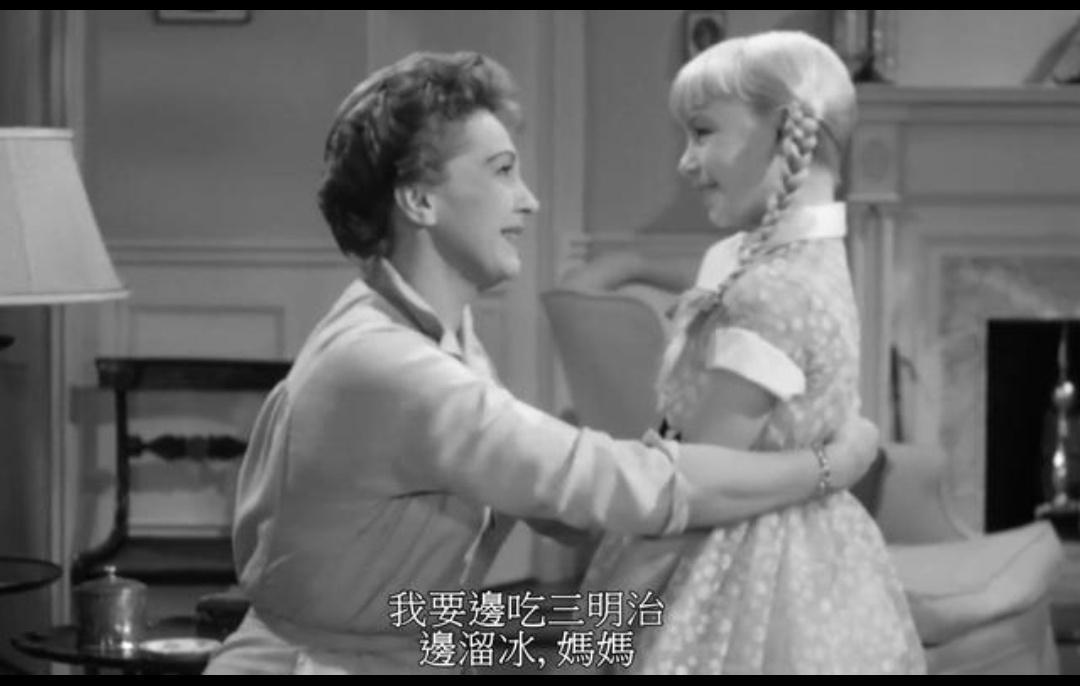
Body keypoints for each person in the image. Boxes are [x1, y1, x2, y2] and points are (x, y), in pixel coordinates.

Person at [202, 50, 880, 675]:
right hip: (325, 665)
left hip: (422, 639)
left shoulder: (437, 329)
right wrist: (832, 465)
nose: (528, 199)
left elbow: (560, 504)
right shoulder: (388, 365)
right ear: (419, 200)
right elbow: (614, 485)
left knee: (618, 636)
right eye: (502, 171)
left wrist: (597, 625)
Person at [580, 32, 925, 674]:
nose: (685, 162)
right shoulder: (796, 262)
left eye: (703, 133)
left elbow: (694, 494)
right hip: (812, 559)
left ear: (787, 130)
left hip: (733, 572)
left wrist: (592, 638)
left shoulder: (773, 293)